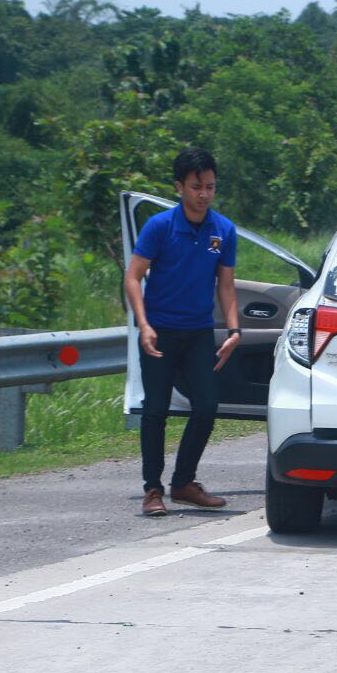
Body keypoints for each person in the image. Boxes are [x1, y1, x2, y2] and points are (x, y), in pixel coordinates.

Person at [123, 148, 240, 516]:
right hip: (159, 331)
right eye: (196, 187)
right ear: (179, 187)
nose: (204, 194)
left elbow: (226, 285)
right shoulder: (160, 226)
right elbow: (133, 277)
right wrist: (143, 324)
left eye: (210, 187)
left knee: (206, 406)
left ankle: (184, 483)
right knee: (155, 410)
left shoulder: (224, 230)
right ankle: (152, 490)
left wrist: (234, 330)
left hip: (198, 332)